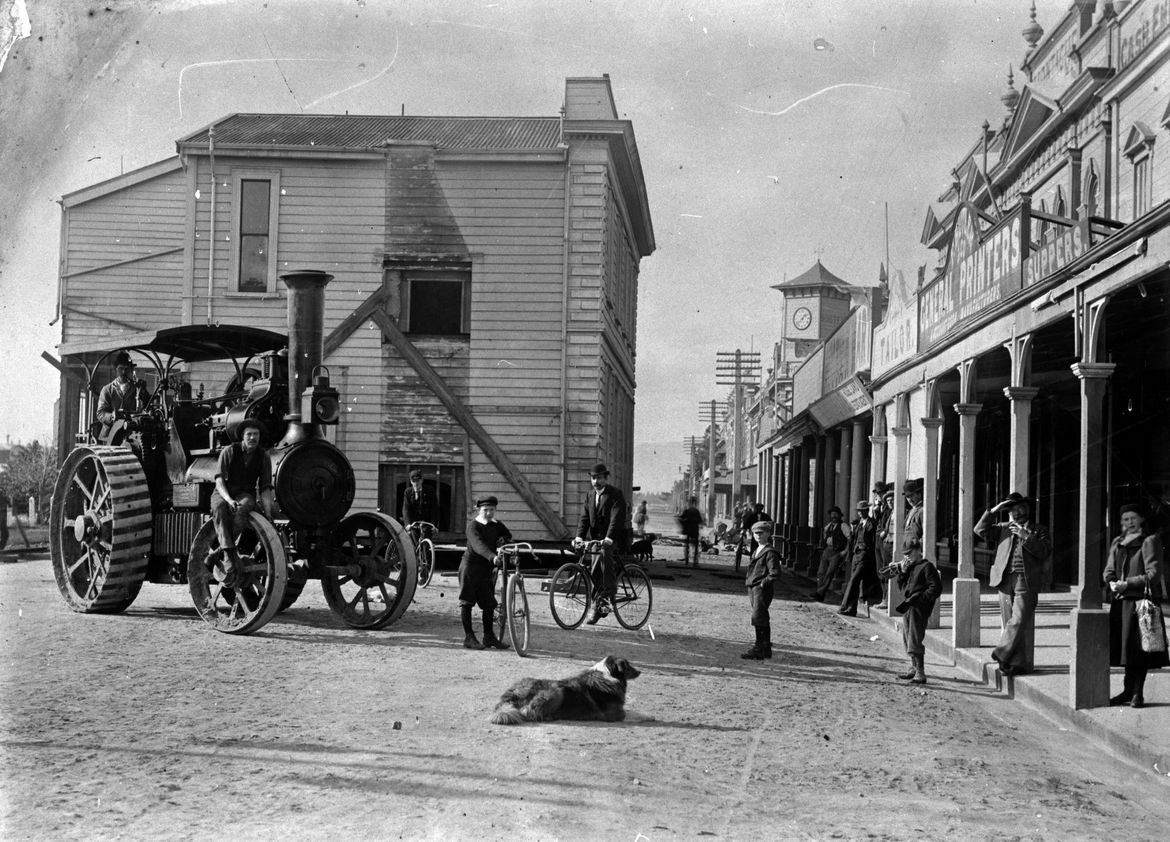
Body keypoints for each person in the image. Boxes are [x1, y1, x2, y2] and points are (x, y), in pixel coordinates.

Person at [974, 491, 1052, 676]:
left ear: (1028, 509)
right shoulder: (1003, 528)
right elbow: (979, 530)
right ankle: (1013, 664)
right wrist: (994, 510)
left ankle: (1000, 653)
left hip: (1026, 579)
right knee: (1010, 621)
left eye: (1020, 508)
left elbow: (1044, 551)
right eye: (1013, 511)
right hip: (1004, 579)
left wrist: (1026, 536)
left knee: (1018, 620)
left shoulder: (1039, 530)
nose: (1017, 513)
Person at [1104, 503, 1168, 707]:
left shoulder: (1149, 541)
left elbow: (1154, 575)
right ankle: (1127, 690)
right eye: (1125, 519)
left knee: (1140, 650)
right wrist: (1112, 581)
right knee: (1125, 651)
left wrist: (1127, 583)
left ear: (1141, 519)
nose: (1128, 523)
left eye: (1132, 518)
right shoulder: (1118, 541)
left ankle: (1137, 693)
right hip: (1121, 603)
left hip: (1142, 603)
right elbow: (1108, 570)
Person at [212, 418, 276, 585]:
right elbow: (219, 481)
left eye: (256, 434)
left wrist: (269, 513)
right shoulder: (229, 451)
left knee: (244, 506)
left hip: (244, 494)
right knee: (219, 507)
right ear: (243, 437)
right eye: (249, 434)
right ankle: (227, 554)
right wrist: (228, 499)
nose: (253, 438)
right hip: (223, 492)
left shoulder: (263, 457)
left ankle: (219, 551)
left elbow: (265, 488)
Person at [573, 463, 628, 624]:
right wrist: (579, 537)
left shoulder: (615, 494)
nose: (596, 481)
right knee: (594, 571)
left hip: (614, 538)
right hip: (597, 539)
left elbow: (616, 519)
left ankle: (609, 594)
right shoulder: (590, 495)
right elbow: (584, 519)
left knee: (604, 555)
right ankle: (598, 607)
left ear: (605, 478)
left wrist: (609, 538)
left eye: (599, 478)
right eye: (593, 478)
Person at [459, 496, 512, 651]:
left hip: (486, 569)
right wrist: (493, 557)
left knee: (489, 603)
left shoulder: (496, 525)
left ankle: (488, 636)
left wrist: (503, 540)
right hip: (470, 568)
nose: (489, 513)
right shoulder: (473, 526)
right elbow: (478, 545)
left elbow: (507, 535)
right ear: (478, 510)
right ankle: (469, 637)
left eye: (492, 510)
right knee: (467, 602)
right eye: (485, 510)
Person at [893, 550, 942, 684]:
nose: (907, 556)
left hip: (919, 607)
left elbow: (936, 588)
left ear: (919, 552)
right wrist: (902, 572)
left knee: (915, 638)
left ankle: (920, 672)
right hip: (909, 606)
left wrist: (921, 599)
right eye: (905, 554)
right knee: (907, 637)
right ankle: (913, 668)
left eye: (910, 553)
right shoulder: (910, 567)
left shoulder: (927, 567)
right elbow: (902, 587)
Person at [741, 519, 781, 660]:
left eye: (761, 533)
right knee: (760, 617)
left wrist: (764, 583)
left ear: (768, 534)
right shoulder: (757, 550)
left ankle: (759, 647)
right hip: (753, 588)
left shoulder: (770, 552)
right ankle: (765, 649)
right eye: (755, 533)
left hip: (761, 589)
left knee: (758, 617)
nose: (757, 535)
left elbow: (775, 572)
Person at [839, 499, 882, 616]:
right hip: (856, 555)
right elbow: (852, 541)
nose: (860, 513)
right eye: (859, 511)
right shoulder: (857, 524)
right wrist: (853, 531)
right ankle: (852, 609)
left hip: (865, 555)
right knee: (855, 581)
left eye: (862, 511)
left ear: (867, 510)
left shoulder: (871, 523)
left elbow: (872, 540)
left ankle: (844, 606)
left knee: (854, 580)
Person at [95, 350, 151, 438]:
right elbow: (100, 413)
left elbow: (148, 406)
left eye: (127, 369)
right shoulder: (107, 390)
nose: (124, 372)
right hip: (110, 436)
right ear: (116, 369)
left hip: (131, 435)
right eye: (121, 368)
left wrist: (143, 391)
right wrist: (111, 417)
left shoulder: (137, 388)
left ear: (131, 370)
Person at [813, 506, 851, 601]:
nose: (833, 516)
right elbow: (825, 535)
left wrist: (845, 551)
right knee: (821, 572)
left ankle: (819, 593)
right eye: (832, 514)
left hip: (836, 552)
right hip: (827, 551)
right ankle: (820, 593)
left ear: (839, 515)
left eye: (836, 514)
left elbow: (850, 539)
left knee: (829, 573)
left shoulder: (843, 526)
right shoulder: (829, 526)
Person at [402, 469, 438, 536]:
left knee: (426, 541)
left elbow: (434, 509)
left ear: (422, 480)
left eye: (418, 481)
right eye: (413, 481)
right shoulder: (408, 492)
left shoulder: (430, 491)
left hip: (426, 522)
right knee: (414, 538)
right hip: (413, 523)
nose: (416, 483)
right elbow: (406, 509)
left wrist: (434, 525)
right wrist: (407, 524)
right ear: (411, 481)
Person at [678, 496, 704, 566]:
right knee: (695, 547)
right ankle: (695, 561)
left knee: (688, 546)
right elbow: (700, 520)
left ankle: (687, 560)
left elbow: (680, 519)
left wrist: (684, 524)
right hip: (695, 530)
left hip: (689, 530)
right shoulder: (696, 511)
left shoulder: (687, 511)